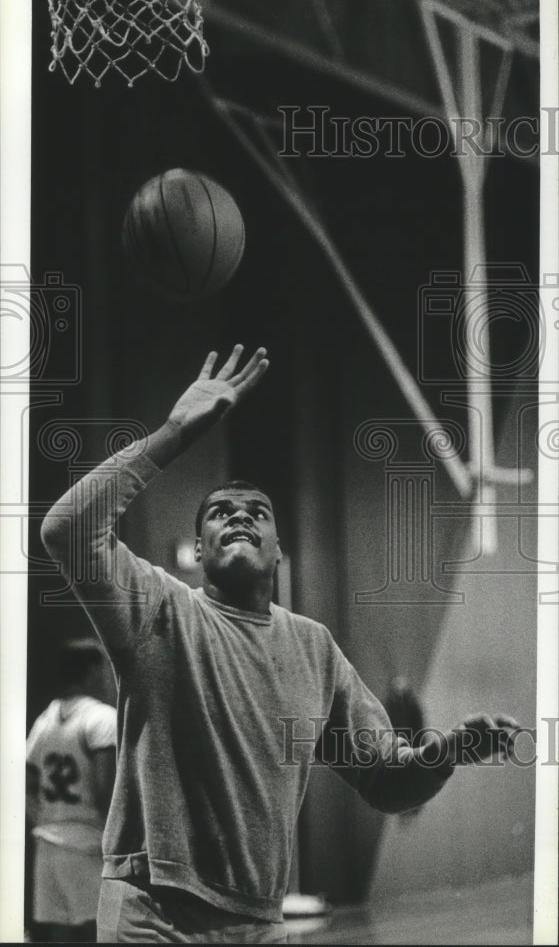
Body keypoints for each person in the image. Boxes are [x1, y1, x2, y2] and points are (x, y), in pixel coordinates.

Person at [40, 344, 519, 944]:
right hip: (154, 912)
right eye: (219, 511)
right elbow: (67, 529)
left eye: (256, 512)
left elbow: (388, 781)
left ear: (278, 551)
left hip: (259, 921)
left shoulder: (314, 649)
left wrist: (449, 752)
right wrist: (172, 433)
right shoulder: (160, 611)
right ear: (201, 547)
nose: (238, 515)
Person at [26, 638, 117, 943]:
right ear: (92, 670)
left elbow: (26, 782)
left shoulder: (45, 718)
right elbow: (107, 790)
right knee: (97, 931)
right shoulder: (102, 717)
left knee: (59, 933)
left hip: (48, 840)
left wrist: (44, 820)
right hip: (87, 841)